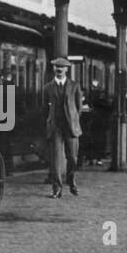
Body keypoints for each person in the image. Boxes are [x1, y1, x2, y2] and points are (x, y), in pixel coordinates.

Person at [42, 56, 83, 197]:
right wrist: (49, 121)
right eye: (57, 66)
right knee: (56, 160)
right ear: (54, 69)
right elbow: (44, 108)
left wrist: (74, 120)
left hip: (70, 126)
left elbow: (79, 107)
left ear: (66, 69)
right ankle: (57, 188)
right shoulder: (47, 88)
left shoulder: (75, 86)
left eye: (62, 67)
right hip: (55, 127)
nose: (59, 69)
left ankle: (71, 180)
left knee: (72, 158)